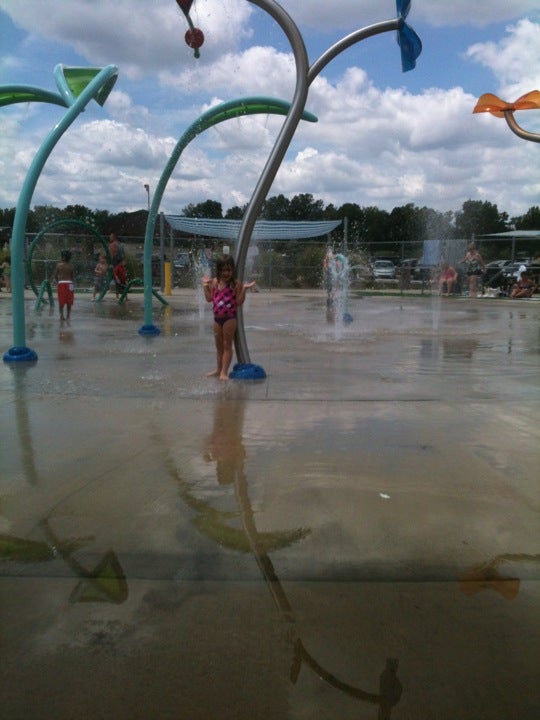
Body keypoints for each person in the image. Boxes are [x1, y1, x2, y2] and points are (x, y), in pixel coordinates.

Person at [202, 255, 255, 381]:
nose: (226, 273)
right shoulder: (214, 282)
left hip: (229, 319)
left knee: (227, 345)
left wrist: (244, 290)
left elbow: (238, 302)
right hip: (217, 319)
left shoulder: (235, 284)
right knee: (218, 346)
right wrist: (205, 285)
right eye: (223, 270)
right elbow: (209, 298)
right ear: (219, 270)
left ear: (233, 270)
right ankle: (218, 369)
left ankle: (224, 372)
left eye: (229, 270)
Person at [53, 250, 75, 321]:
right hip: (70, 283)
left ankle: (61, 316)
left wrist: (57, 282)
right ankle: (68, 316)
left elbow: (55, 275)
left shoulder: (59, 265)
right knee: (69, 301)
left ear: (63, 257)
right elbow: (72, 277)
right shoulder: (71, 266)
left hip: (61, 283)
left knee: (61, 301)